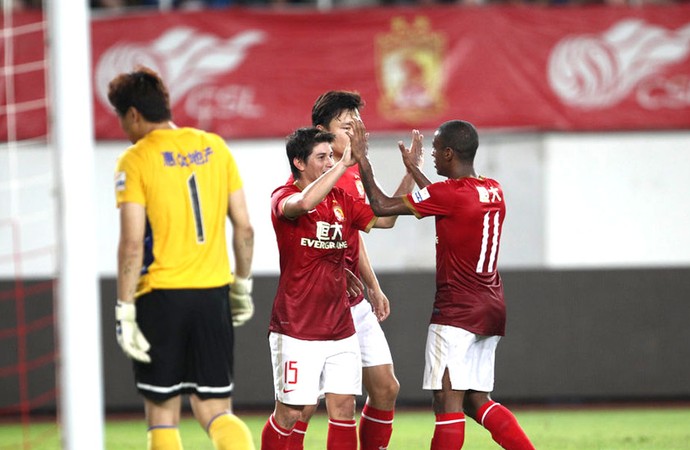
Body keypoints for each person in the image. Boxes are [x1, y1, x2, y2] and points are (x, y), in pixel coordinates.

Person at [348, 118, 535, 450]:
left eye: (436, 149)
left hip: (457, 312)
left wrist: (363, 158)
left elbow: (380, 206)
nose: (432, 155)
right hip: (491, 308)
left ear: (449, 153)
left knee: (446, 404)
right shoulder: (492, 188)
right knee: (477, 401)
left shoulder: (449, 195)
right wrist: (415, 171)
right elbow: (444, 200)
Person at [109, 66, 256, 450]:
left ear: (134, 115)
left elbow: (130, 243)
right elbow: (244, 228)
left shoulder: (135, 159)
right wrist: (241, 285)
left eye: (122, 120)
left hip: (160, 296)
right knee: (216, 410)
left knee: (161, 414)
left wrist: (125, 308)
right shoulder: (215, 147)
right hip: (212, 294)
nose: (124, 129)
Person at [284, 91, 419, 450]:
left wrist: (373, 286)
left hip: (352, 300)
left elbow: (369, 228)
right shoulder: (325, 176)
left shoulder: (353, 172)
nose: (357, 131)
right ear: (321, 133)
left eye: (359, 124)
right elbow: (311, 239)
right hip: (318, 302)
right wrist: (338, 271)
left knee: (385, 388)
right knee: (303, 405)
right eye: (347, 126)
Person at [261, 127, 398, 450]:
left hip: (340, 325)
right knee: (292, 412)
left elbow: (386, 220)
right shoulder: (282, 196)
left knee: (344, 409)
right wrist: (342, 165)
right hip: (296, 326)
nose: (328, 163)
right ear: (298, 162)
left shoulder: (341, 200)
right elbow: (305, 202)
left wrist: (408, 176)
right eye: (321, 158)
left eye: (331, 157)